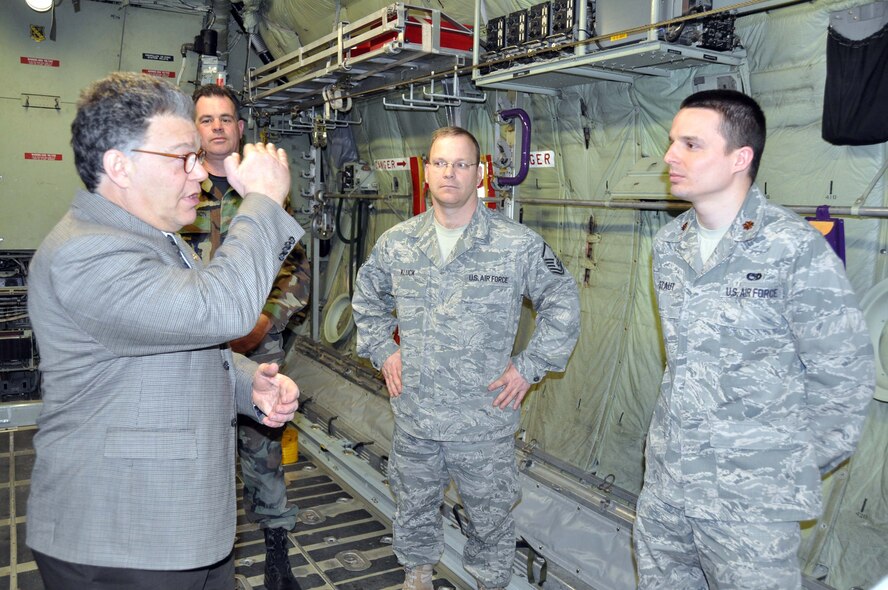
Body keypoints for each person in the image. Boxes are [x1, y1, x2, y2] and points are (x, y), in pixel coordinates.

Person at [26, 72, 305, 590]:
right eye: (184, 157)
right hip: (123, 539)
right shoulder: (86, 251)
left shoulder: (150, 239)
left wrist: (249, 383)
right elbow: (220, 309)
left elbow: (180, 343)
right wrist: (262, 203)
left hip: (184, 530)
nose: (200, 174)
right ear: (119, 165)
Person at [635, 89, 875, 589]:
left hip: (749, 510)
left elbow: (845, 376)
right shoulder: (668, 244)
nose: (670, 156)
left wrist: (778, 473)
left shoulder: (792, 249)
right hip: (668, 487)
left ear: (740, 158)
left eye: (691, 144)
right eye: (672, 141)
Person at [351, 126, 580, 590]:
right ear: (427, 171)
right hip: (416, 414)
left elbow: (563, 300)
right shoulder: (399, 242)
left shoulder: (515, 244)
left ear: (478, 173)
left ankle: (490, 582)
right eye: (440, 163)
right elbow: (367, 298)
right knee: (413, 505)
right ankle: (416, 574)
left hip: (484, 419)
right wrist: (383, 349)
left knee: (490, 517)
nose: (449, 173)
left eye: (461, 164)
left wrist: (529, 365)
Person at [181, 84, 310, 590]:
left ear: (240, 128)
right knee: (199, 455)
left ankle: (278, 555)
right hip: (192, 351)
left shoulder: (261, 190)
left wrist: (264, 322)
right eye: (206, 118)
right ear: (194, 128)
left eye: (226, 118)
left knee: (263, 455)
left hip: (258, 350)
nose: (216, 126)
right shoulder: (178, 190)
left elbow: (294, 268)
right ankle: (205, 563)